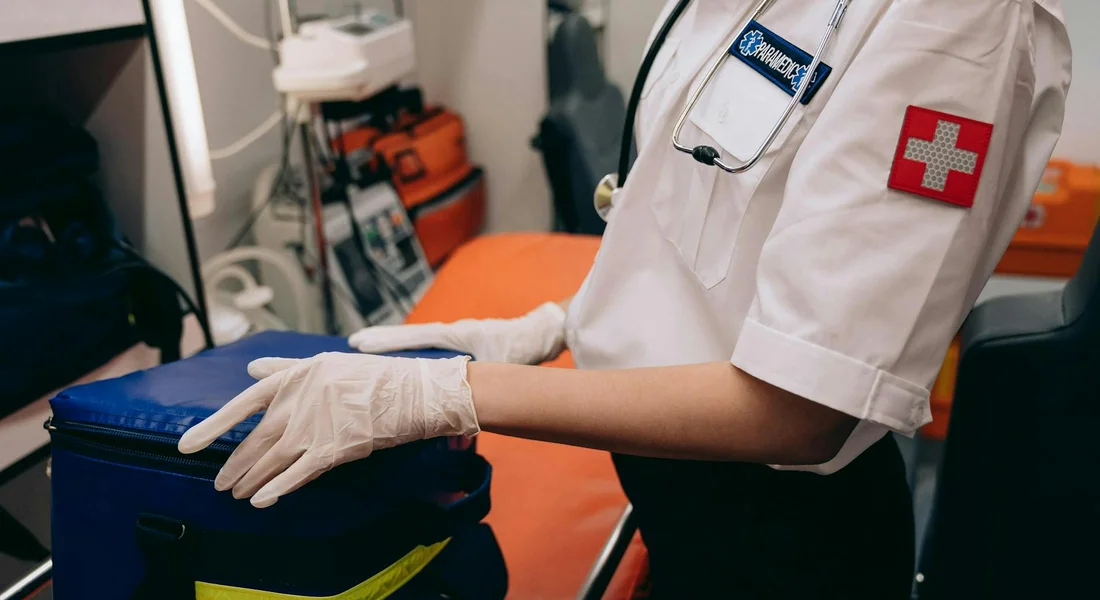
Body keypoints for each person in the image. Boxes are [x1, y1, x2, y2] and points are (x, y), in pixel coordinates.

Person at [179, 0, 1072, 597]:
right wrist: (568, 322)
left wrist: (447, 394)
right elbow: (701, 219)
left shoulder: (953, 23)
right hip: (672, 497)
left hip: (781, 539)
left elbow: (808, 405)